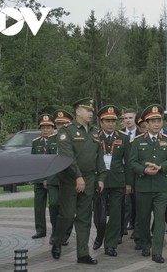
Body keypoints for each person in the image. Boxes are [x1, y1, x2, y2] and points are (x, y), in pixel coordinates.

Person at [51, 97, 106, 265]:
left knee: (84, 218)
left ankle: (83, 254)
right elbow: (67, 156)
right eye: (87, 110)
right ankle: (57, 240)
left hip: (89, 178)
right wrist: (78, 177)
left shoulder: (95, 131)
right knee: (67, 216)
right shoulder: (66, 131)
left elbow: (99, 157)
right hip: (70, 179)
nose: (91, 113)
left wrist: (101, 177)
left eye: (92, 110)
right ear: (78, 111)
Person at [129, 104, 167, 264]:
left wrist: (161, 167)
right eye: (153, 121)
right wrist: (144, 170)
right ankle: (145, 243)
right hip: (143, 187)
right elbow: (132, 162)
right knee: (143, 219)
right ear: (147, 123)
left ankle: (157, 251)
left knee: (159, 219)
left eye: (159, 120)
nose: (157, 124)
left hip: (161, 187)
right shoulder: (137, 142)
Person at [96, 105, 131, 257]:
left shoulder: (123, 138)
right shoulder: (95, 137)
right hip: (99, 181)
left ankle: (110, 245)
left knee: (116, 215)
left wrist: (129, 183)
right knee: (99, 216)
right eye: (107, 121)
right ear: (101, 122)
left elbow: (129, 162)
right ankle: (99, 235)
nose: (110, 124)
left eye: (113, 121)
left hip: (117, 181)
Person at [48, 110, 74, 246]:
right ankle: (55, 232)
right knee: (53, 205)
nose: (61, 126)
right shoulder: (51, 140)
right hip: (53, 179)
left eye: (64, 123)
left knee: (67, 209)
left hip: (69, 178)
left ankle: (65, 234)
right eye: (58, 124)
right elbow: (46, 161)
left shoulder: (73, 138)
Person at [31, 114, 57, 240]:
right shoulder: (36, 143)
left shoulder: (58, 141)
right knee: (39, 206)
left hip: (53, 178)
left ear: (53, 128)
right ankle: (40, 230)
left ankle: (55, 232)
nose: (46, 130)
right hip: (39, 178)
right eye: (43, 127)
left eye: (48, 127)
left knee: (53, 206)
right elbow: (33, 161)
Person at [121, 108, 140, 238]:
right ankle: (122, 228)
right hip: (123, 172)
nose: (127, 120)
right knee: (124, 202)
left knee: (137, 202)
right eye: (125, 118)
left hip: (138, 172)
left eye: (130, 118)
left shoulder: (141, 133)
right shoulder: (120, 134)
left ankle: (136, 227)